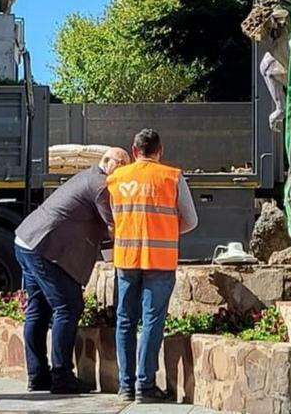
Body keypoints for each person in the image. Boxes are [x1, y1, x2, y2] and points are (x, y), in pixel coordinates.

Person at [14, 147, 131, 393]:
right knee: (68, 306)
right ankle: (62, 376)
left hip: (27, 241)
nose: (124, 170)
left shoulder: (88, 176)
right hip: (43, 248)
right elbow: (114, 227)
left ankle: (38, 375)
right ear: (107, 162)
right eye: (121, 164)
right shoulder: (101, 186)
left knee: (38, 310)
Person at [108, 128, 198, 403]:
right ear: (161, 151)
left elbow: (115, 218)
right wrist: (167, 230)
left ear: (134, 152)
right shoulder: (171, 177)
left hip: (126, 259)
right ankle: (145, 386)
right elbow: (191, 220)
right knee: (151, 322)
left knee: (125, 320)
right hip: (159, 260)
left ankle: (126, 386)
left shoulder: (116, 179)